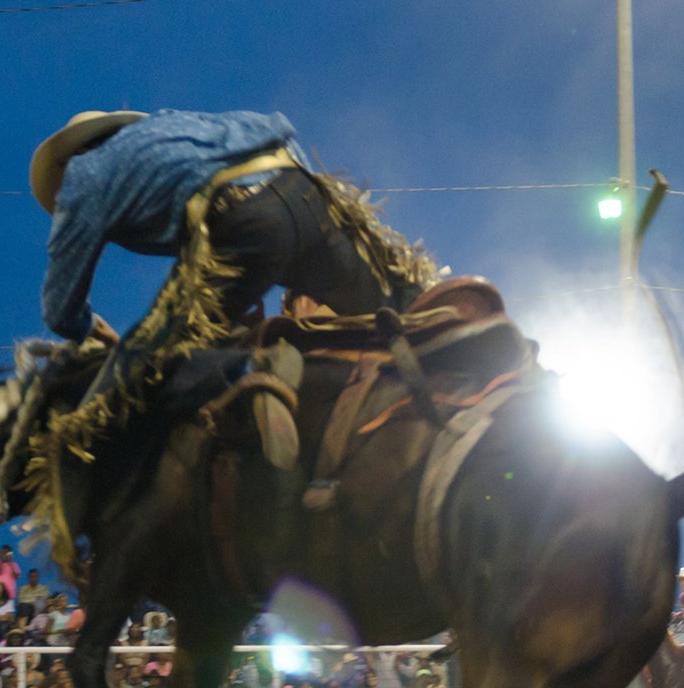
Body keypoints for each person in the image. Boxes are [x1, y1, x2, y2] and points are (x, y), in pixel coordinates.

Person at [30, 108, 434, 455]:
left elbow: (59, 308)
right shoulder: (175, 125)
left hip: (244, 223)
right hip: (308, 195)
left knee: (142, 371)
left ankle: (263, 373)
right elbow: (274, 127)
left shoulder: (83, 175)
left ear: (72, 157)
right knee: (407, 312)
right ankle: (458, 364)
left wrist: (87, 328)